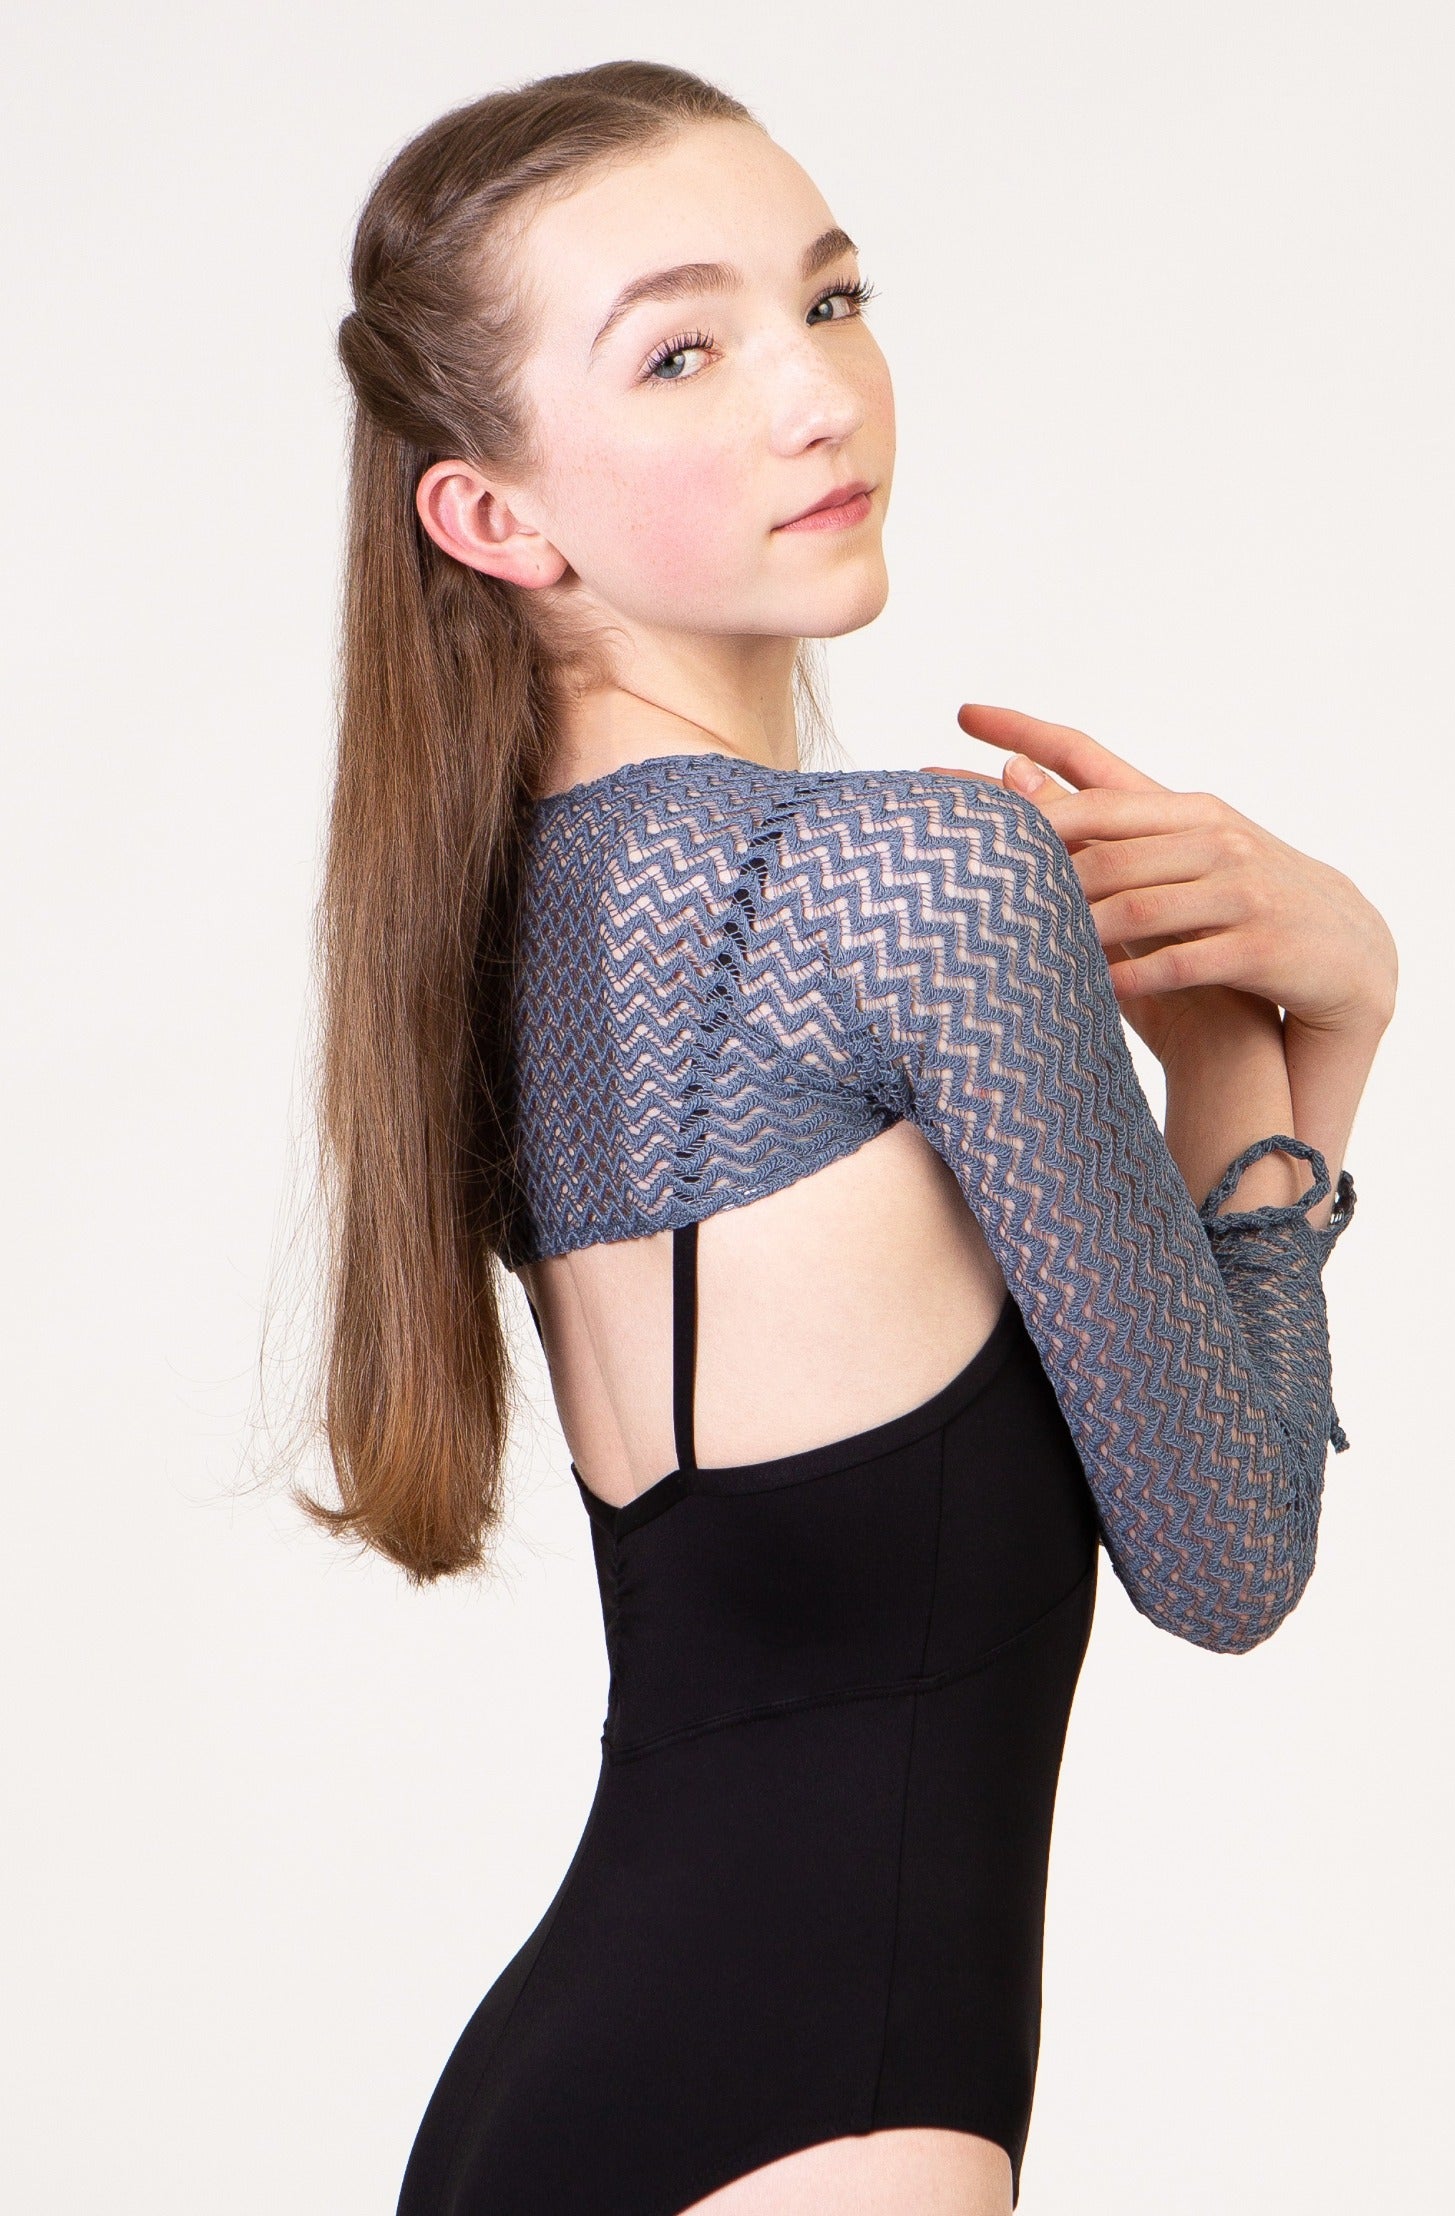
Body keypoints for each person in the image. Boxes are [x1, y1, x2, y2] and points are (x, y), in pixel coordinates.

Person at [305, 58, 1395, 2216]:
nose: (817, 395)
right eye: (682, 351)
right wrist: (1286, 1034)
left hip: (554, 2107)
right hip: (830, 2123)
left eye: (829, 300)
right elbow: (1228, 1555)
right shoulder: (909, 882)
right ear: (495, 517)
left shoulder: (496, 928)